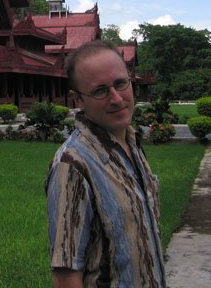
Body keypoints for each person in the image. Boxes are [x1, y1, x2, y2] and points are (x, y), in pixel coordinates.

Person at [45, 40, 166, 288]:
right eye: (100, 91)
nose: (116, 98)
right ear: (78, 99)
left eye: (121, 84)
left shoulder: (131, 143)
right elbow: (65, 275)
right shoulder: (73, 164)